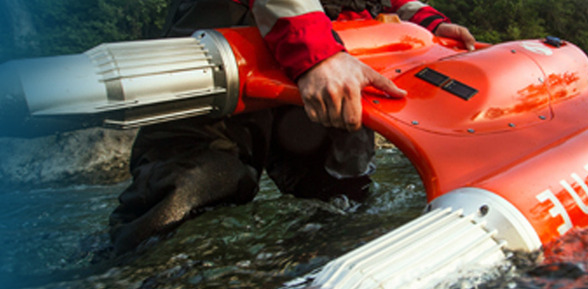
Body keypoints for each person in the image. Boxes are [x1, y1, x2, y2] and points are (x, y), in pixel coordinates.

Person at [109, 0, 476, 253]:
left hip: (341, 39)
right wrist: (315, 49)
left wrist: (425, 22)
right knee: (190, 189)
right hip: (233, 24)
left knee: (340, 199)